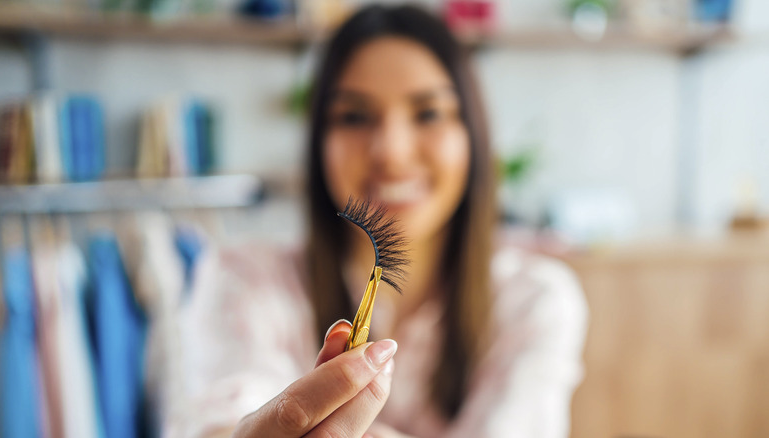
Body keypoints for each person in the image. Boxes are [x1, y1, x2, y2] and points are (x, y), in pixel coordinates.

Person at [164, 4, 588, 438]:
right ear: (318, 143)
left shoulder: (534, 299)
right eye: (354, 117)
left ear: (473, 136)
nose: (391, 151)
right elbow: (219, 418)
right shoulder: (243, 277)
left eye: (428, 113)